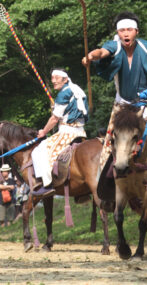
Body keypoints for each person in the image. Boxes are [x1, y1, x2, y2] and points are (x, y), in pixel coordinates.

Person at [83, 12, 147, 171]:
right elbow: (100, 53)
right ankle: (108, 181)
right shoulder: (114, 46)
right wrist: (90, 56)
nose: (125, 33)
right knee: (108, 146)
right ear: (118, 33)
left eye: (129, 29)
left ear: (136, 31)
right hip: (122, 105)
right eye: (122, 30)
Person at [30, 69, 88, 197]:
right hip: (82, 132)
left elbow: (54, 119)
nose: (53, 81)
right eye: (52, 78)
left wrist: (43, 131)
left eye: (57, 78)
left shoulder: (63, 94)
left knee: (38, 151)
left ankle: (47, 185)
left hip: (67, 133)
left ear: (65, 79)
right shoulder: (76, 89)